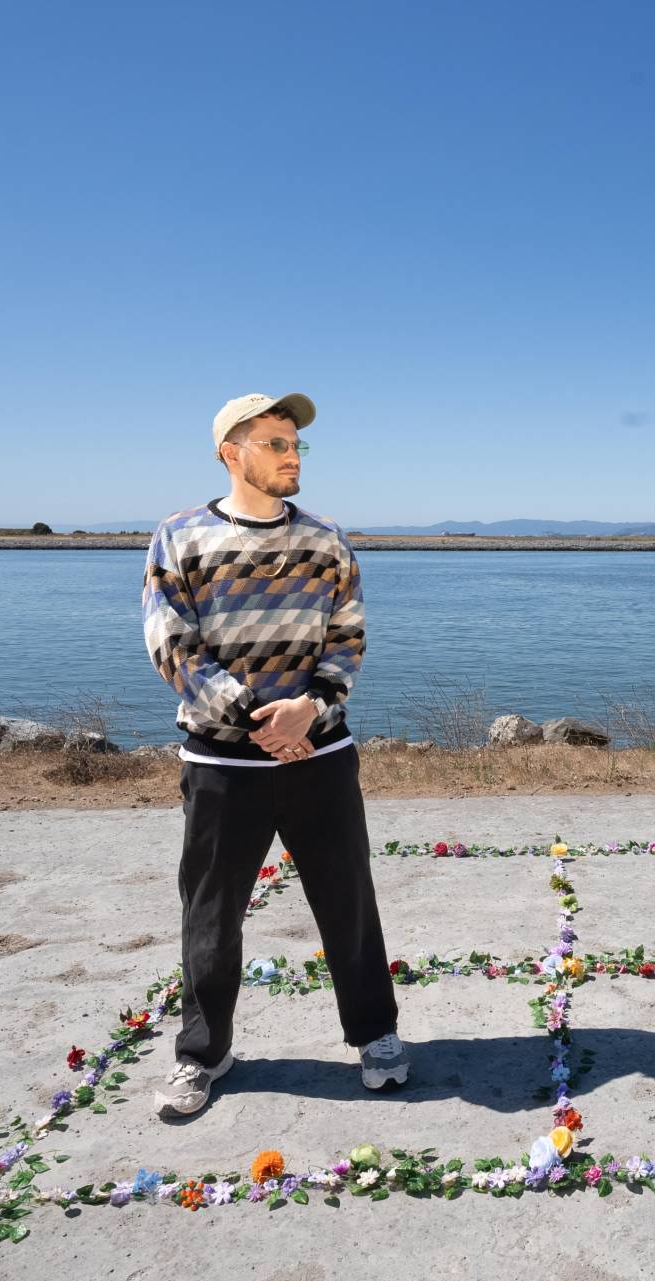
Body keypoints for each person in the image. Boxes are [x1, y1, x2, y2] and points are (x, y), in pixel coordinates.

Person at [140, 390, 406, 1117]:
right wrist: (256, 716)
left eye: (297, 445)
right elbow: (171, 642)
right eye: (275, 443)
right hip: (224, 762)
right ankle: (204, 1054)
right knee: (211, 912)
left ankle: (375, 1036)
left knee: (347, 901)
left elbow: (347, 639)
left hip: (321, 755)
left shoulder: (326, 541)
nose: (292, 457)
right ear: (232, 452)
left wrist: (309, 710)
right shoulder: (180, 537)